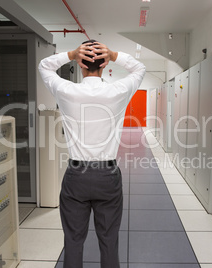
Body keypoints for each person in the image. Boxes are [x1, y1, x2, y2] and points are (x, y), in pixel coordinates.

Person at [38, 40, 146, 268]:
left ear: (80, 64)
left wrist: (70, 53)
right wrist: (115, 54)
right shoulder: (117, 91)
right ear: (104, 64)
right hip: (107, 176)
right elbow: (139, 68)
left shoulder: (67, 90)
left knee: (74, 241)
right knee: (109, 241)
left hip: (76, 176)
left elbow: (44, 66)